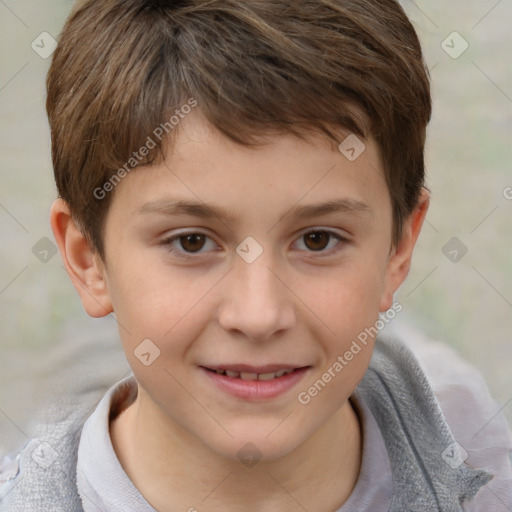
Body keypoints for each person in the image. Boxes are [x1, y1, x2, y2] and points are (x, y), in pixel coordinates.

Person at [1, 0, 511, 510]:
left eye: (318, 240)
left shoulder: (485, 461)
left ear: (398, 248)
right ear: (88, 259)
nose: (259, 315)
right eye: (191, 242)